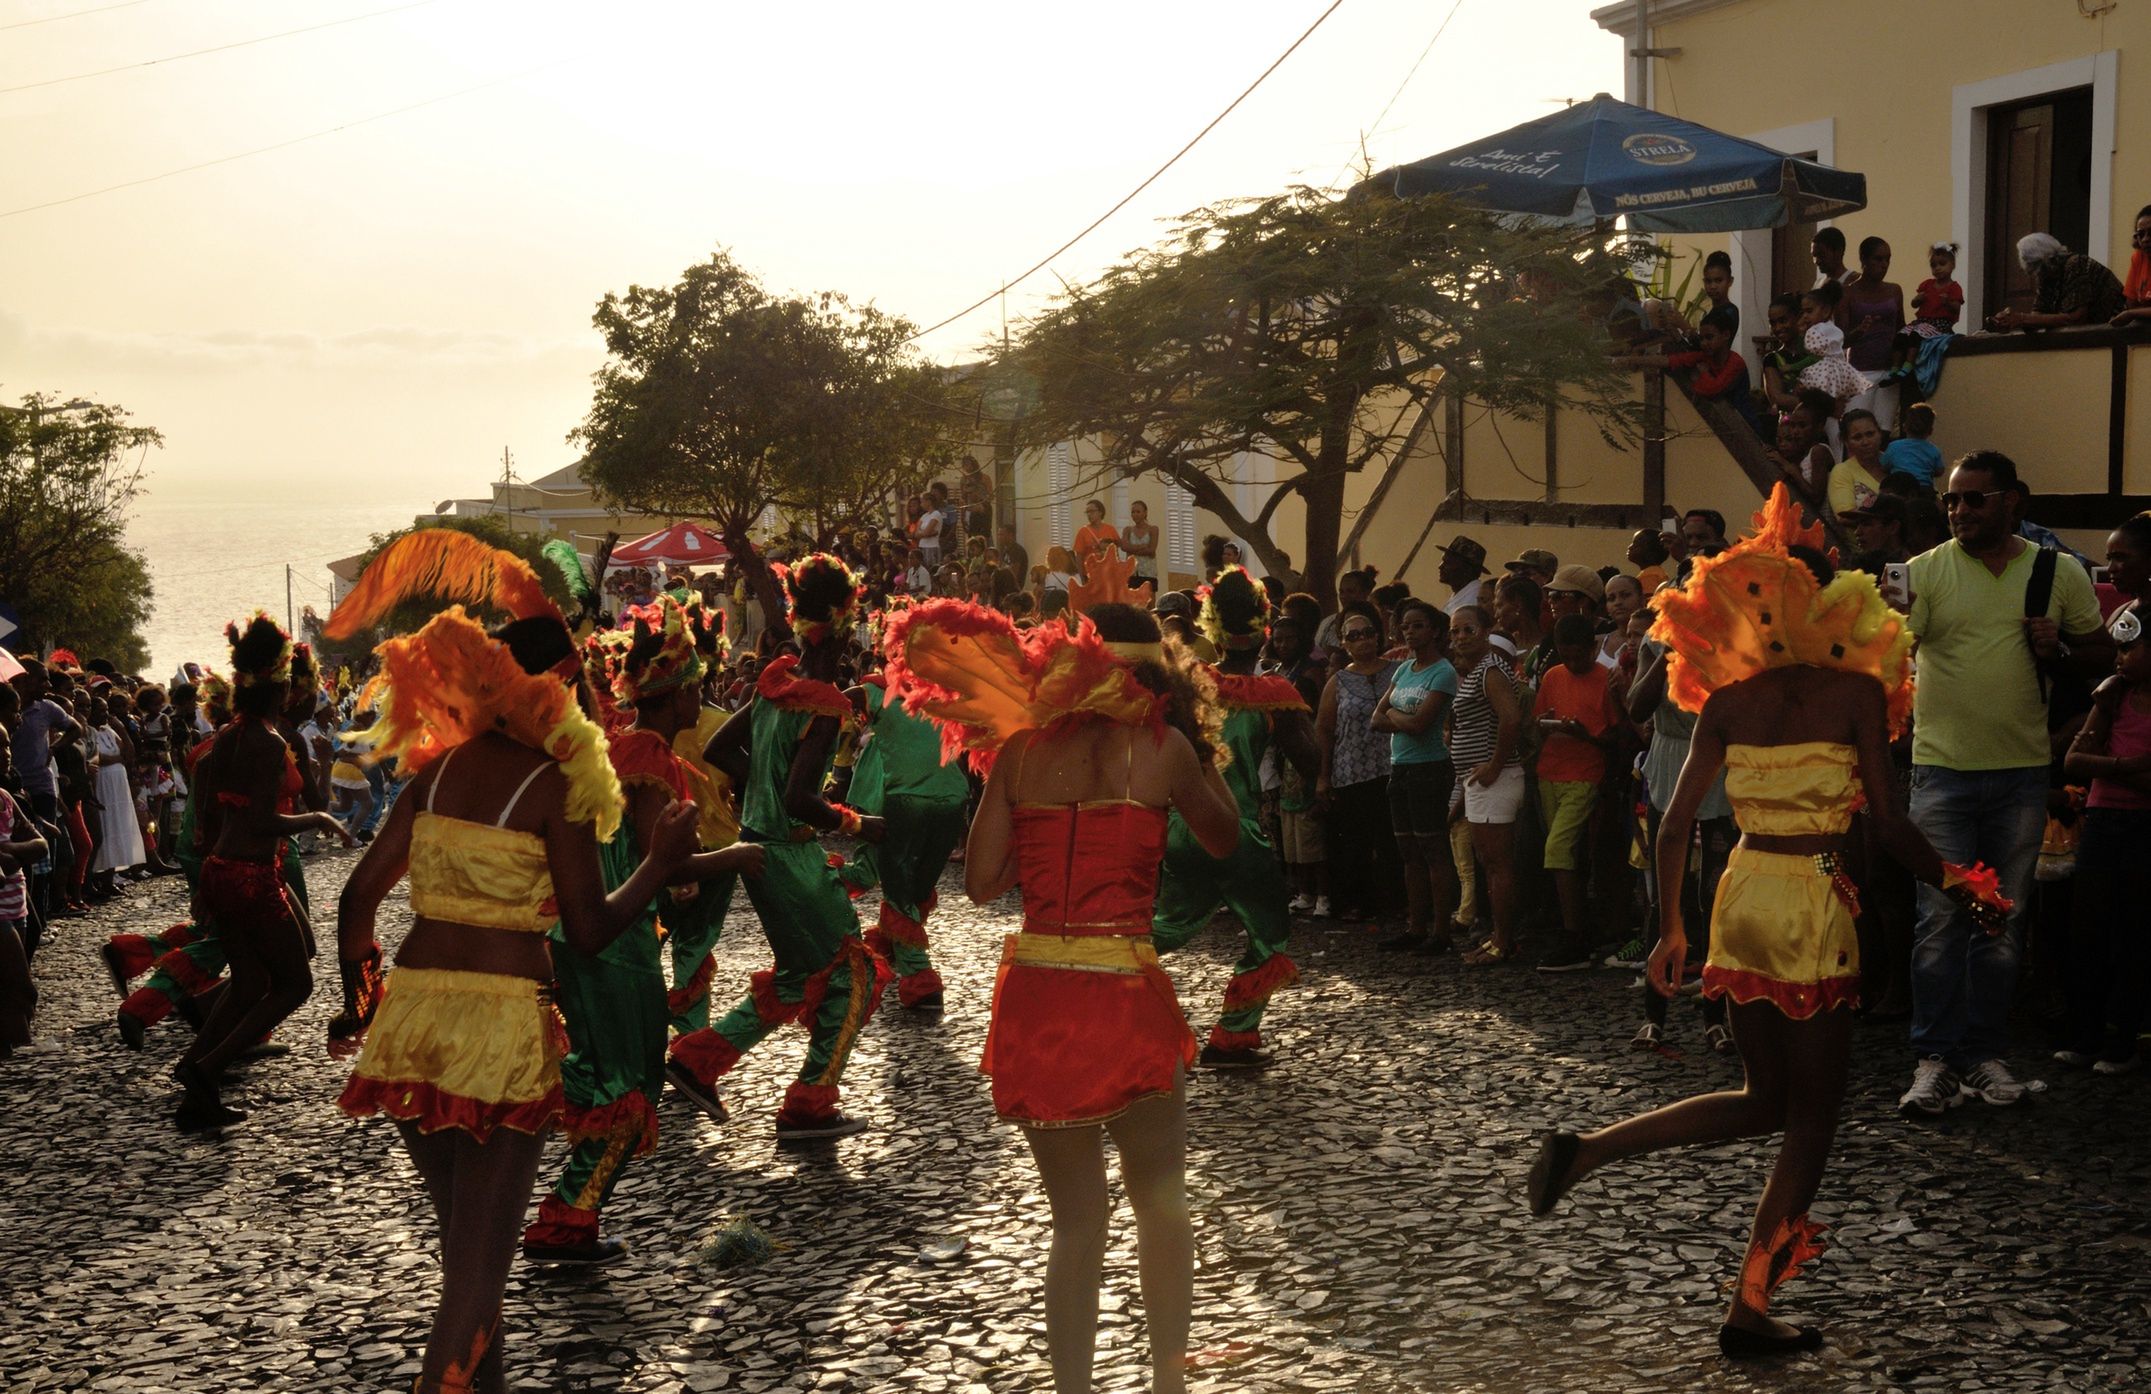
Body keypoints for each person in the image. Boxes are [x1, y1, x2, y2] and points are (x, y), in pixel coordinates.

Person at [1527, 484, 2010, 1357]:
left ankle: (1588, 1149)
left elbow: (1673, 824)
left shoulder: (1727, 703)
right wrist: (1962, 885)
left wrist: (1671, 931)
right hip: (1811, 894)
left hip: (1740, 889)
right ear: (1824, 606)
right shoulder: (1854, 696)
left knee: (1764, 1099)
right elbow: (1887, 824)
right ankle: (1749, 1305)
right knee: (1812, 1116)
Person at [324, 532, 698, 1394]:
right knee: (476, 1281)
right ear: (554, 692)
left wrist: (363, 1004)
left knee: (466, 1251)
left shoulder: (436, 775)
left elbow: (356, 903)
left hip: (411, 1017)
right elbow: (592, 929)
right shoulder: (554, 788)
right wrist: (661, 863)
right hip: (495, 1028)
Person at [888, 597, 1238, 1394]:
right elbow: (1225, 839)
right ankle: (1167, 1384)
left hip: (1039, 993)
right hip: (1123, 989)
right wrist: (1200, 752)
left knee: (1075, 1222)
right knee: (1160, 1199)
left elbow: (979, 884)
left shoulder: (1016, 754)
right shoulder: (1165, 749)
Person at [524, 600, 763, 1265]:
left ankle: (564, 1205)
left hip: (577, 926)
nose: (701, 696)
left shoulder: (615, 744)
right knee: (630, 1082)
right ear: (673, 692)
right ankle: (567, 1217)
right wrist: (737, 858)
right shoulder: (651, 753)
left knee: (604, 1070)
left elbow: (641, 854)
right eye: (694, 686)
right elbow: (668, 861)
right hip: (615, 933)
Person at [1897, 451, 2110, 1116]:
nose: (1959, 511)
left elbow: (2102, 654)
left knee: (1998, 926)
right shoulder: (1922, 573)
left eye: (1974, 500)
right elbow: (1885, 655)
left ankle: (1982, 1055)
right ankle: (1933, 1060)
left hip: (2019, 776)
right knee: (1937, 922)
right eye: (1952, 501)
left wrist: (2060, 648)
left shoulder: (2057, 571)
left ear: (2012, 500)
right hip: (1938, 775)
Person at [692, 554, 893, 1140]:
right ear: (838, 623)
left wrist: (762, 790)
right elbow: (803, 796)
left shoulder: (776, 680)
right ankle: (810, 1103)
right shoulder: (823, 700)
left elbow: (721, 751)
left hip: (761, 848)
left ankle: (697, 1060)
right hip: (792, 853)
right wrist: (858, 824)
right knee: (853, 973)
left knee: (796, 975)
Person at [174, 615, 355, 1131]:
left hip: (225, 869)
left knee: (252, 980)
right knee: (295, 984)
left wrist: (203, 874)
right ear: (283, 688)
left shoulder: (232, 733)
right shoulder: (268, 742)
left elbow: (211, 806)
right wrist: (319, 818)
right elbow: (259, 819)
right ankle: (205, 1070)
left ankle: (195, 1073)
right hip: (250, 873)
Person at [1150, 568, 1318, 1064]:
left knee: (1166, 929)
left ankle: (1099, 979)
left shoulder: (1185, 686)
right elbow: (1310, 762)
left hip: (1183, 829)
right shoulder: (1274, 693)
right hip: (1239, 829)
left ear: (1213, 626)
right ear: (1266, 624)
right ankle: (1234, 1033)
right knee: (1270, 934)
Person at [840, 656, 969, 1012]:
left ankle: (920, 980)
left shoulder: (876, 690)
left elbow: (834, 702)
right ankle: (892, 947)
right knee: (914, 887)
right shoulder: (948, 694)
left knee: (900, 888)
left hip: (905, 800)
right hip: (953, 801)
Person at [2056, 602, 2151, 1073]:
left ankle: (2122, 1040)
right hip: (2105, 820)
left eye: (2130, 649)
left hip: (2142, 827)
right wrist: (2129, 768)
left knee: (2134, 932)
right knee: (2088, 929)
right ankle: (2087, 1034)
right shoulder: (2112, 696)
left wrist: (2108, 769)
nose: (2119, 658)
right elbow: (2074, 762)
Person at [1531, 614, 1620, 973]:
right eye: (1565, 656)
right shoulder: (1553, 677)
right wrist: (1546, 724)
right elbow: (1536, 723)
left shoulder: (1604, 680)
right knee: (1565, 856)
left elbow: (1617, 734)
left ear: (1592, 649)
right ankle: (1574, 924)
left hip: (1585, 773)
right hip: (1550, 771)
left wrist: (1585, 735)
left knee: (1558, 849)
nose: (1572, 663)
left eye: (1578, 656)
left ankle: (1574, 934)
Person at [1448, 605, 1526, 966]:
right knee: (1490, 862)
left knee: (1498, 864)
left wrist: (1495, 765)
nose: (1461, 637)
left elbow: (1511, 717)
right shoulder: (1477, 672)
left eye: (1468, 630)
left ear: (1485, 631)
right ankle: (1498, 936)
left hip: (1497, 778)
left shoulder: (1490, 670)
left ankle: (1504, 942)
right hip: (1479, 781)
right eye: (1455, 632)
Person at [1314, 604, 1399, 924]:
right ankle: (1361, 903)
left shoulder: (1398, 671)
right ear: (1344, 643)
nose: (1362, 640)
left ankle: (1397, 901)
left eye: (1368, 633)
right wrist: (1323, 777)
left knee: (1392, 839)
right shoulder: (1338, 681)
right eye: (1354, 636)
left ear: (1378, 636)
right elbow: (1324, 729)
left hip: (1392, 765)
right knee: (1355, 843)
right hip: (1351, 770)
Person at [1990, 233, 2126, 330]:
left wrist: (2021, 319)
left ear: (2045, 261)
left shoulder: (2076, 264)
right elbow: (2039, 314)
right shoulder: (2047, 276)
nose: (2036, 276)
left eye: (2035, 269)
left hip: (2116, 329)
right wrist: (2009, 321)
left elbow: (2076, 318)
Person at [1827, 409, 1890, 518]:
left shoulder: (1895, 462)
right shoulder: (1842, 471)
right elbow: (1845, 516)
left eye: (1870, 434)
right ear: (1846, 442)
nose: (1865, 442)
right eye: (1857, 437)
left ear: (1880, 434)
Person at [1882, 402, 1943, 486]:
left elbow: (1884, 466)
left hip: (1899, 488)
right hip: (1924, 489)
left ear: (1904, 427)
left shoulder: (1894, 446)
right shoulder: (1933, 450)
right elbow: (1940, 471)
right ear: (1930, 431)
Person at [2111, 205, 2151, 328]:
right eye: (2141, 234)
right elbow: (2131, 303)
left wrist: (2131, 314)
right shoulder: (2138, 258)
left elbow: (2131, 311)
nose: (2145, 239)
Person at [1434, 535, 1490, 615]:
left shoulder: (1474, 598)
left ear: (1467, 569)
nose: (1440, 566)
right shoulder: (1461, 593)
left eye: (1448, 562)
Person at [1074, 499, 1119, 576]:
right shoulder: (1083, 531)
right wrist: (1081, 577)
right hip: (1090, 574)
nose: (1089, 515)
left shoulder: (1110, 529)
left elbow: (1116, 552)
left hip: (1108, 573)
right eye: (1087, 512)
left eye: (1092, 511)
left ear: (1100, 512)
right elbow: (1079, 557)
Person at [1625, 530, 1671, 595]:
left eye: (1636, 544)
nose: (1629, 547)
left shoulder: (1649, 576)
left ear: (1651, 554)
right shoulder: (1656, 572)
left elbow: (1649, 601)